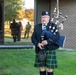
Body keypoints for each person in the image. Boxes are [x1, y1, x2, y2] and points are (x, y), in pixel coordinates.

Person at [31, 11, 60, 75]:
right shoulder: (37, 27)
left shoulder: (53, 26)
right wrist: (37, 44)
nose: (43, 19)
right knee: (41, 67)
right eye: (42, 17)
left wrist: (47, 41)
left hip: (50, 49)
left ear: (48, 18)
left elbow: (57, 36)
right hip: (40, 49)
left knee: (49, 68)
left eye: (45, 17)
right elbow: (33, 38)